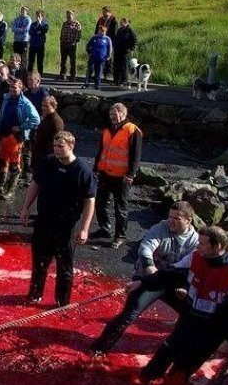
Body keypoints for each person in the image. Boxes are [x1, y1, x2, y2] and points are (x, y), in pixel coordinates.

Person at [139, 226, 228, 385]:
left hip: (212, 330)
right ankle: (145, 382)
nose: (197, 246)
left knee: (179, 373)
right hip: (189, 318)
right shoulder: (195, 257)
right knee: (163, 355)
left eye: (202, 243)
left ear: (217, 247)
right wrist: (142, 282)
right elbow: (170, 274)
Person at [90, 201, 200, 355]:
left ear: (189, 221)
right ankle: (98, 348)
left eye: (177, 219)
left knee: (192, 315)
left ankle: (177, 348)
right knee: (129, 315)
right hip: (148, 278)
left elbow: (192, 268)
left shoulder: (195, 241)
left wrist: (185, 287)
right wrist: (151, 269)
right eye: (170, 217)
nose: (171, 221)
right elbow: (146, 248)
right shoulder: (159, 228)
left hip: (173, 283)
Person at [20, 130, 97, 306]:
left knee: (65, 267)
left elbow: (89, 201)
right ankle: (35, 294)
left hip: (66, 225)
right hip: (43, 220)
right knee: (39, 262)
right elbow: (35, 185)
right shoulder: (47, 162)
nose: (57, 149)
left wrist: (85, 229)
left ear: (71, 146)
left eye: (61, 146)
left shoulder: (82, 170)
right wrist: (25, 208)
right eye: (55, 146)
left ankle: (61, 302)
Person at [91, 103, 142, 249]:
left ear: (124, 114)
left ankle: (120, 236)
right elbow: (101, 150)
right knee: (101, 203)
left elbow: (135, 155)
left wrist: (131, 174)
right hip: (105, 172)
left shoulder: (132, 130)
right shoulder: (107, 129)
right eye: (112, 113)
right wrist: (96, 167)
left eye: (117, 113)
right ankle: (105, 228)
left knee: (120, 207)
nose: (114, 116)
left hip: (122, 176)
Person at [0, 76, 40, 200]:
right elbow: (2, 115)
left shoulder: (25, 103)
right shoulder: (7, 98)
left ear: (20, 88)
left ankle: (11, 191)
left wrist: (21, 127)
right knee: (1, 161)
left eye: (15, 87)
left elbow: (36, 119)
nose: (12, 89)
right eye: (11, 87)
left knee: (15, 163)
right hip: (3, 135)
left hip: (16, 137)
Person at [21, 71, 49, 179]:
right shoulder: (27, 93)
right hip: (28, 124)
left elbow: (46, 110)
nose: (28, 82)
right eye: (28, 80)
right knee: (26, 148)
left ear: (38, 81)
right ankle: (26, 171)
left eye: (31, 80)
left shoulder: (43, 93)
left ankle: (36, 173)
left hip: (38, 125)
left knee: (36, 149)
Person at [30, 95, 65, 173]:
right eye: (42, 105)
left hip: (46, 156)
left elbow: (56, 142)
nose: (43, 108)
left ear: (53, 106)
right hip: (39, 153)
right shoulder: (47, 117)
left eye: (46, 106)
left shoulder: (56, 122)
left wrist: (47, 158)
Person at [85, 24, 113, 90]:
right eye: (101, 31)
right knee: (90, 70)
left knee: (99, 72)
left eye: (104, 31)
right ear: (99, 31)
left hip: (101, 58)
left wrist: (108, 56)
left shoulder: (107, 39)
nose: (102, 32)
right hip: (93, 57)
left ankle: (97, 84)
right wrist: (89, 53)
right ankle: (86, 83)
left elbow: (110, 48)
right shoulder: (94, 37)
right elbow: (88, 45)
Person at [58, 9, 82, 83]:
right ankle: (62, 75)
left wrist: (75, 42)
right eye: (67, 14)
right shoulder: (64, 23)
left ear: (73, 15)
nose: (68, 16)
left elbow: (79, 35)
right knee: (63, 60)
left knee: (72, 61)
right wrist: (61, 40)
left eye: (70, 14)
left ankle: (72, 76)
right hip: (63, 43)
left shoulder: (77, 24)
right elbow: (62, 32)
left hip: (71, 44)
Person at [112, 18, 137, 87]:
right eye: (120, 22)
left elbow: (134, 41)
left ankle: (124, 81)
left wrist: (130, 49)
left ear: (126, 23)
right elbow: (116, 39)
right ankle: (116, 81)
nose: (120, 24)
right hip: (117, 50)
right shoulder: (120, 30)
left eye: (122, 22)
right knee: (116, 66)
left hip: (125, 52)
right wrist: (114, 46)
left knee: (124, 67)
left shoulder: (130, 31)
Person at [95, 6, 117, 80]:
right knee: (100, 58)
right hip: (100, 41)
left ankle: (108, 75)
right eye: (103, 12)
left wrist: (112, 43)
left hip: (108, 41)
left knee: (109, 59)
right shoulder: (100, 19)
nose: (103, 13)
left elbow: (114, 33)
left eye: (105, 12)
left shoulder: (113, 20)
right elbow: (96, 30)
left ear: (109, 12)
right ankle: (99, 73)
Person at [27, 10, 48, 75]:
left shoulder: (45, 24)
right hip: (33, 44)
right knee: (31, 61)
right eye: (37, 16)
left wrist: (40, 24)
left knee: (40, 61)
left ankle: (40, 75)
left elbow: (44, 30)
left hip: (40, 45)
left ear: (42, 17)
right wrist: (38, 31)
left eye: (39, 16)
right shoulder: (33, 24)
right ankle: (29, 74)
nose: (37, 17)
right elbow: (30, 32)